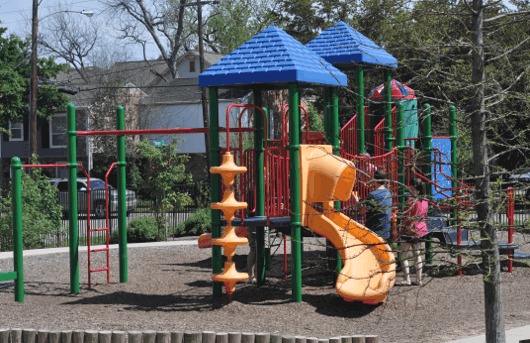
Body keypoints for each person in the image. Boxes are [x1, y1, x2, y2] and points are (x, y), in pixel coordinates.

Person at [399, 178, 429, 286]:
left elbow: (406, 216)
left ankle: (407, 278)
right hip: (421, 229)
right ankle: (418, 279)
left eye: (410, 186)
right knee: (417, 255)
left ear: (414, 188)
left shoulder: (411, 200)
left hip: (410, 229)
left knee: (403, 254)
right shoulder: (425, 199)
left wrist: (401, 230)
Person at [353, 169, 392, 239]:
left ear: (374, 180)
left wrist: (356, 202)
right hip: (386, 232)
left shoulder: (373, 195)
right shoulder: (388, 194)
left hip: (375, 233)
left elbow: (362, 211)